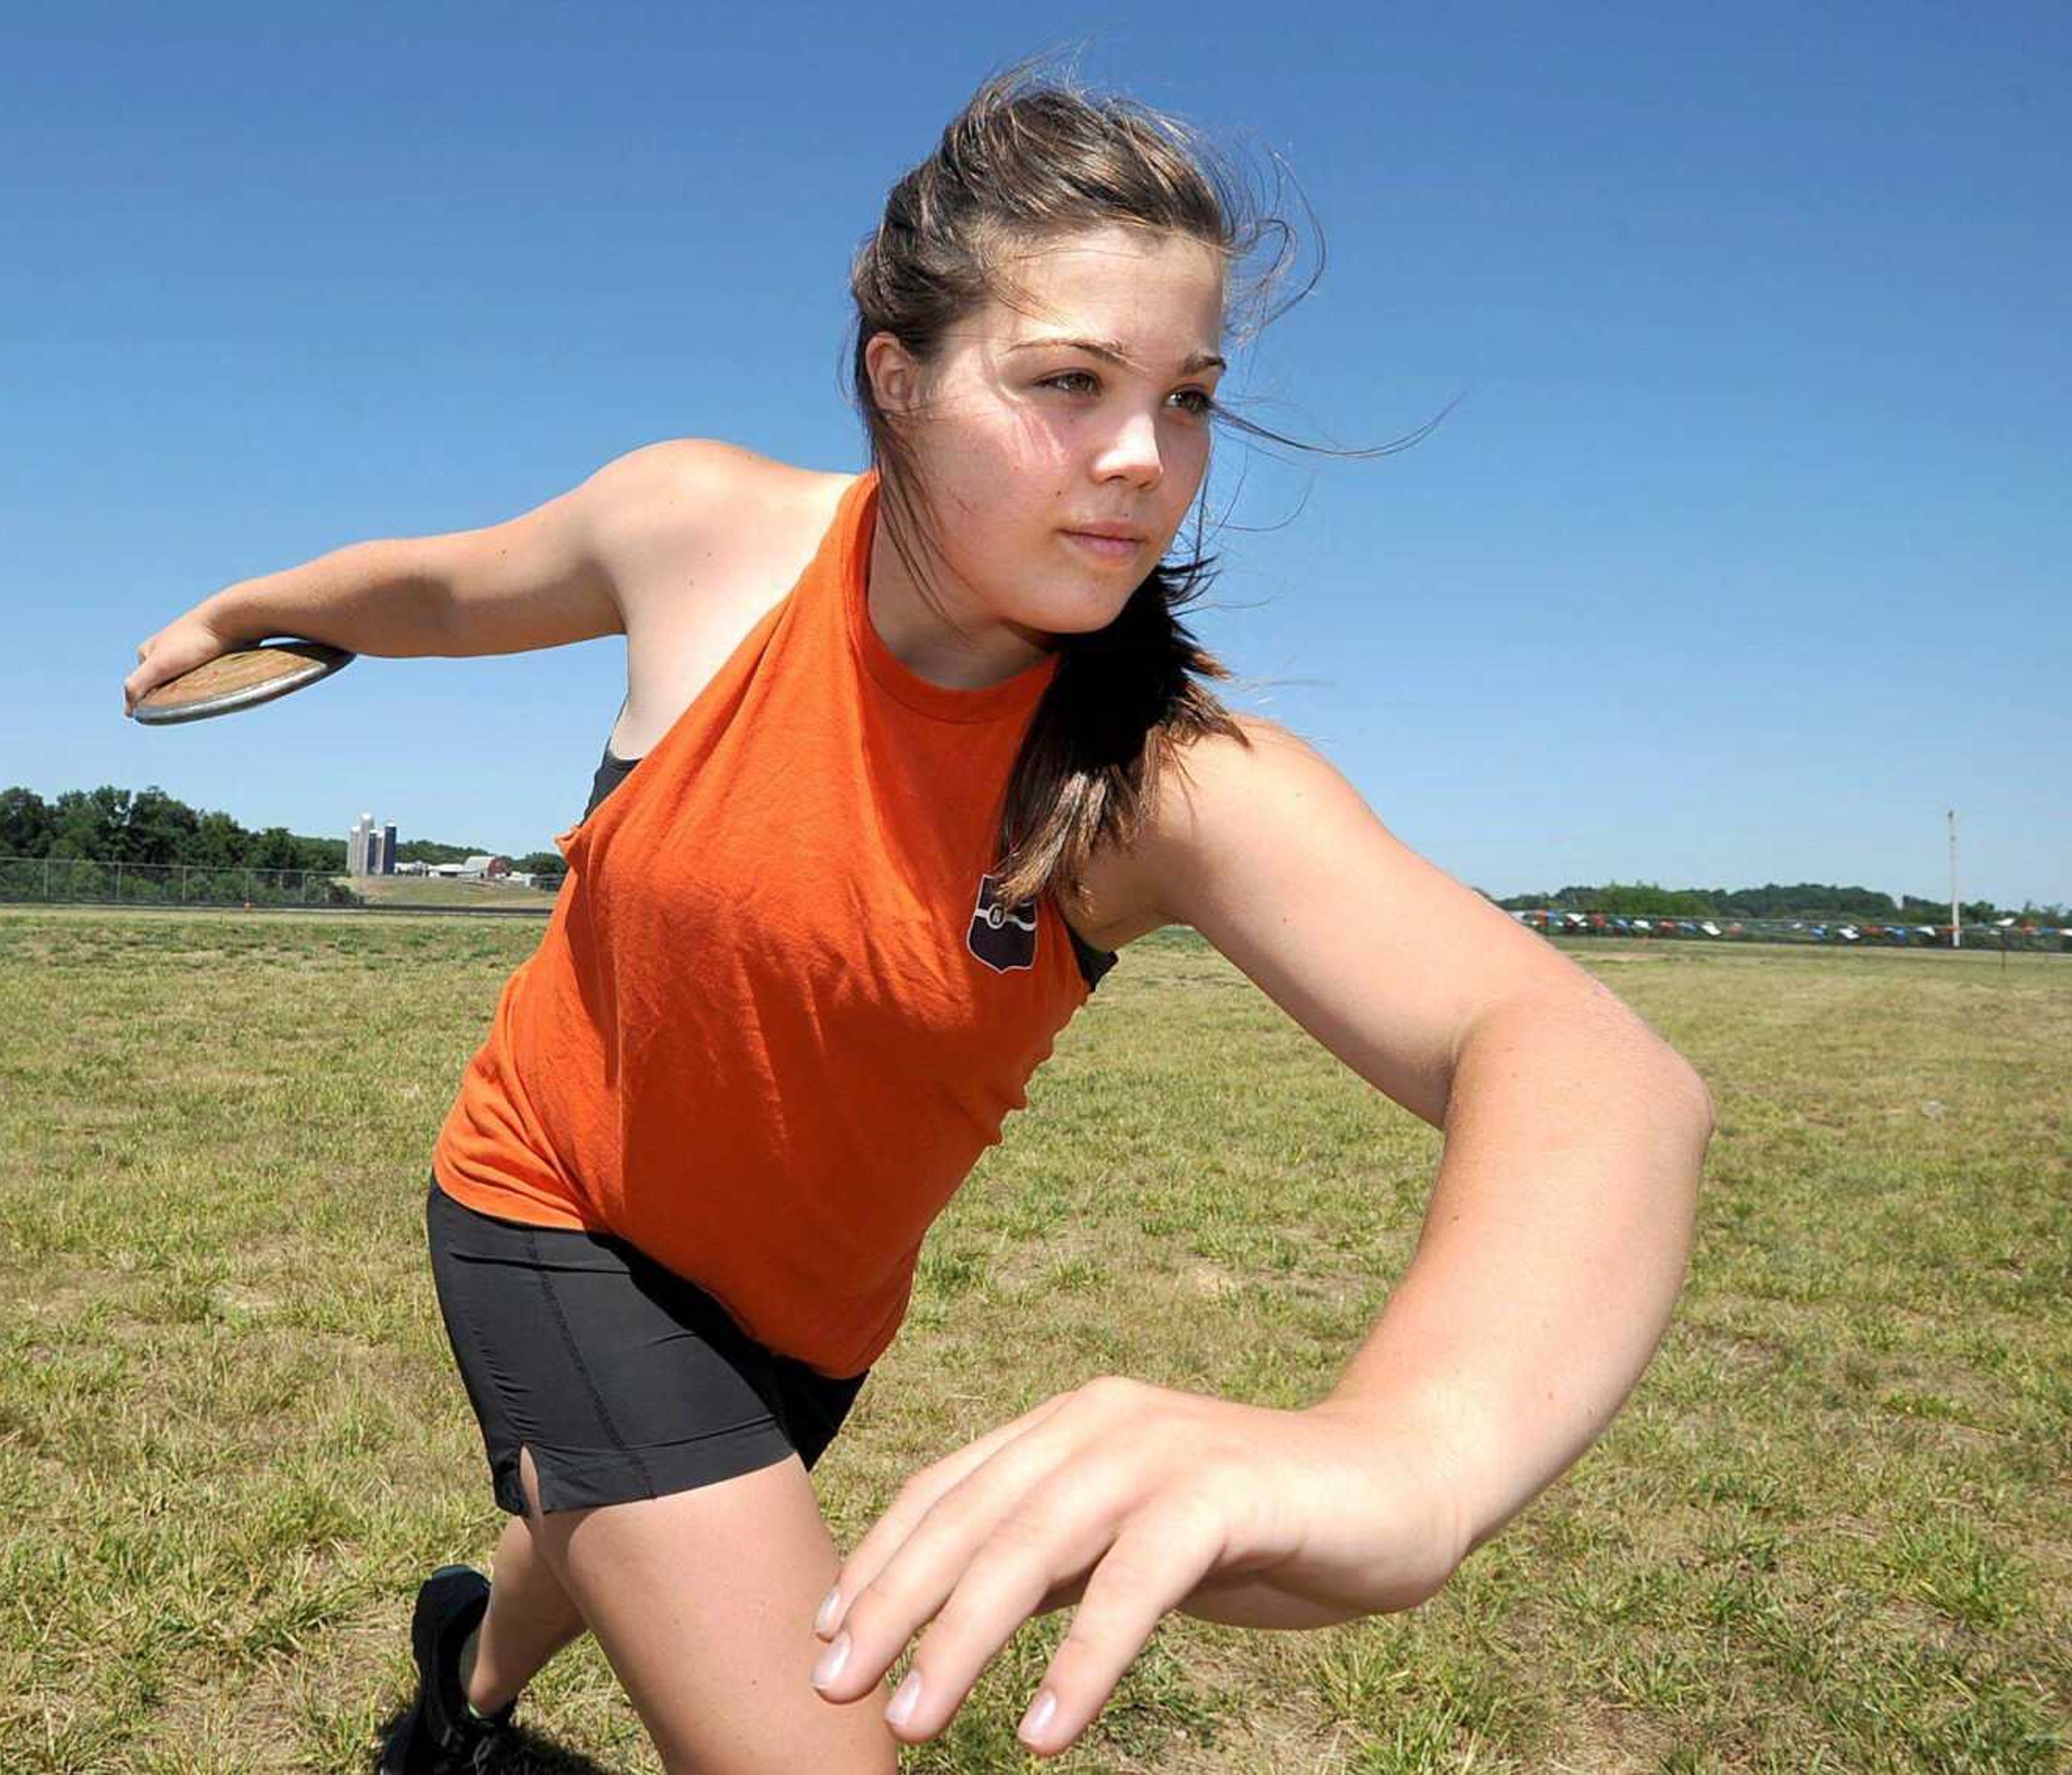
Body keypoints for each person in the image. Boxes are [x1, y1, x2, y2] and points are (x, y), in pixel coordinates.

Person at [123, 59, 1711, 1774]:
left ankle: (463, 1679)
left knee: (606, 1520)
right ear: (899, 375)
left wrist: (1411, 1450)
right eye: (1068, 381)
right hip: (555, 1205)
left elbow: (1585, 1065)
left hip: (809, 1318)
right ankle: (483, 1673)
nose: (1143, 458)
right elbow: (445, 586)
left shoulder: (1157, 781)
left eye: (1187, 396)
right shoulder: (702, 533)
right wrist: (249, 604)